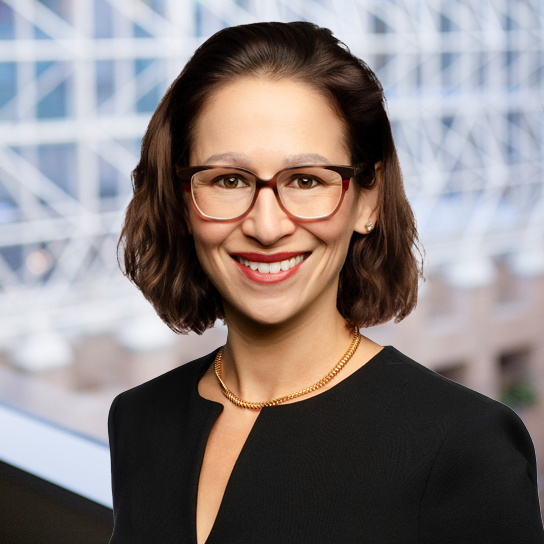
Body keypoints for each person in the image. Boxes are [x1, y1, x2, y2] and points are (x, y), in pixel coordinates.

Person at [108, 21, 544, 544]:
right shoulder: (137, 419)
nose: (266, 226)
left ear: (367, 201)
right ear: (183, 201)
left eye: (306, 180)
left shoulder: (464, 447)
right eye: (229, 180)